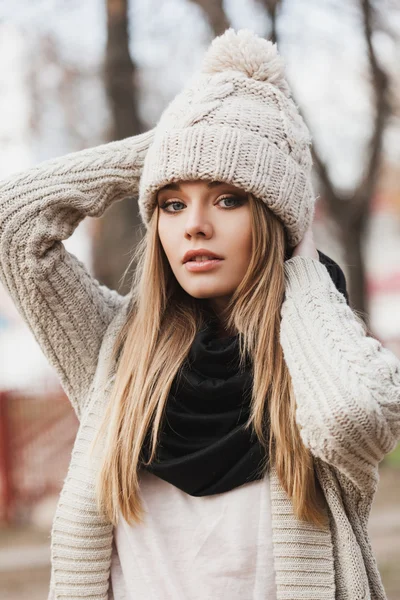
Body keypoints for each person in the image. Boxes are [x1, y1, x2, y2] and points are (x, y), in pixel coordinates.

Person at [0, 27, 399, 600]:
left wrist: (302, 259)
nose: (194, 224)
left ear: (274, 217)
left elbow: (353, 419)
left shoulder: (318, 363)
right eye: (172, 202)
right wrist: (178, 138)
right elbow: (14, 224)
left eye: (229, 197)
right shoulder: (118, 356)